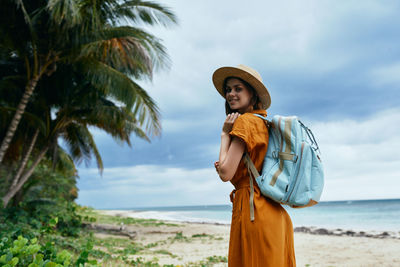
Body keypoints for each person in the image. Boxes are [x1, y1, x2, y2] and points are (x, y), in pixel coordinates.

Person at [212, 65, 296, 267]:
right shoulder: (264, 123)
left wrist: (225, 134)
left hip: (253, 211)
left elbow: (225, 172)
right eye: (228, 89)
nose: (231, 94)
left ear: (253, 93)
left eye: (238, 88)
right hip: (274, 210)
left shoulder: (245, 123)